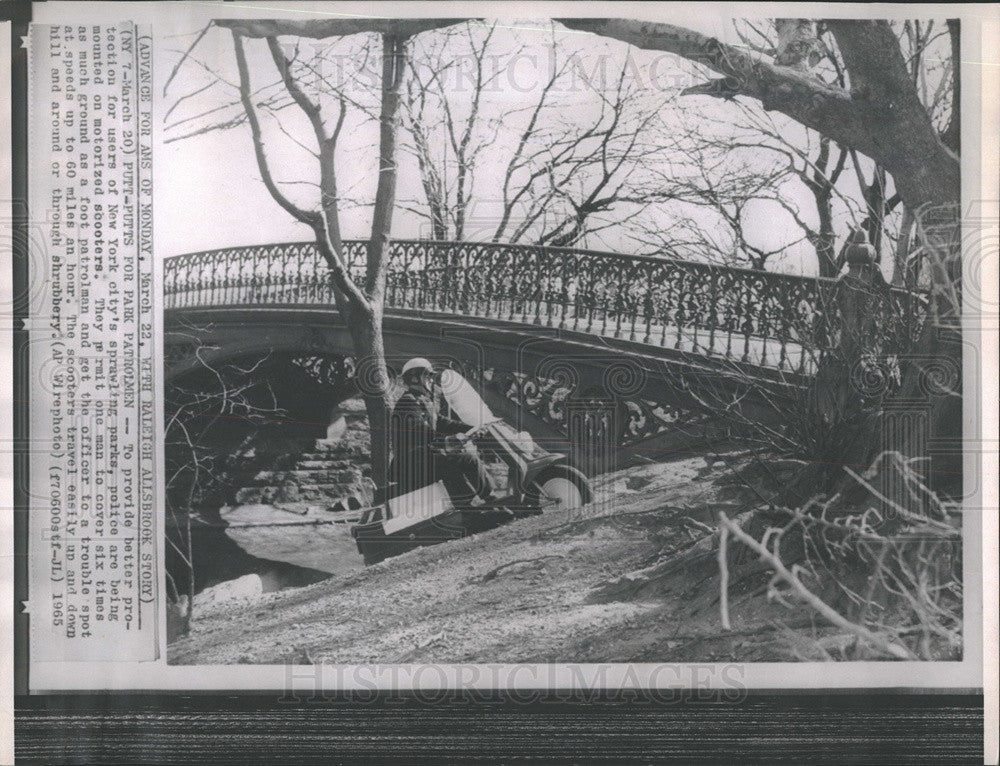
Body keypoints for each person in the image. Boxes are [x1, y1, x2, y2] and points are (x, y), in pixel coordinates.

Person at [389, 358, 495, 508]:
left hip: (421, 458)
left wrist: (470, 428)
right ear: (414, 379)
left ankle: (482, 500)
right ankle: (473, 505)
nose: (431, 380)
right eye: (427, 376)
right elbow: (421, 432)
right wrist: (449, 439)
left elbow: (443, 422)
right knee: (459, 459)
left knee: (457, 459)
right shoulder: (407, 403)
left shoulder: (423, 401)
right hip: (409, 463)